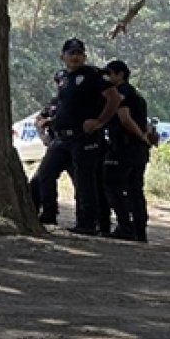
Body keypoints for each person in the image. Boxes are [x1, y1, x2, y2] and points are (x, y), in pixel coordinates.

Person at [28, 38, 119, 235]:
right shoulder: (62, 77)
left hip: (84, 137)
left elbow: (114, 98)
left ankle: (87, 223)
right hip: (61, 138)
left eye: (79, 53)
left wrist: (100, 121)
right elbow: (65, 103)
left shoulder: (93, 75)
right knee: (45, 174)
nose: (75, 57)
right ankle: (49, 214)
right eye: (71, 53)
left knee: (84, 180)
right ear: (63, 56)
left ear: (84, 56)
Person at [100, 60, 154, 242]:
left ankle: (125, 225)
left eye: (110, 74)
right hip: (137, 150)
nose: (107, 78)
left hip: (125, 148)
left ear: (120, 74)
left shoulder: (122, 93)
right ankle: (139, 229)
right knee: (134, 189)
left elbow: (125, 118)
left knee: (111, 184)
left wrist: (140, 136)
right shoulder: (136, 95)